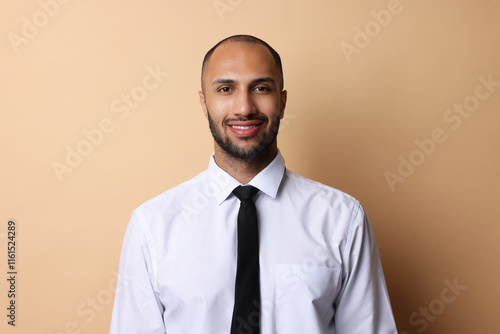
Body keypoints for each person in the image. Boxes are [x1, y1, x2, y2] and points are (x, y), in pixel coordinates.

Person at [109, 34, 398, 334]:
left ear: (282, 102)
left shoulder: (342, 219)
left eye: (261, 88)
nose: (244, 108)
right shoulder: (153, 225)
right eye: (225, 89)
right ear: (204, 103)